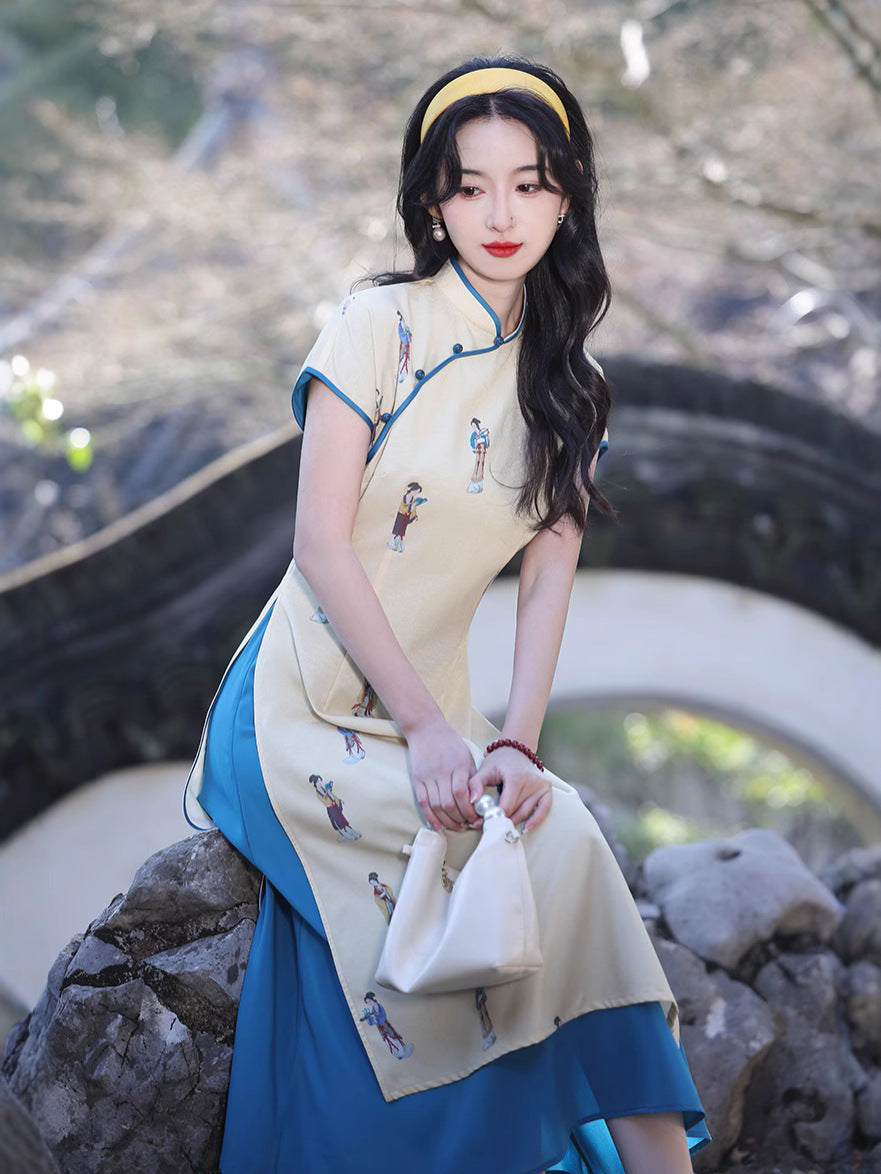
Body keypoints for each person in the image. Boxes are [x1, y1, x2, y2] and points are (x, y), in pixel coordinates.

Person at [185, 54, 709, 1174]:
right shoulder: (376, 323)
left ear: (567, 196)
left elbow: (548, 576)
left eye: (529, 182)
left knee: (547, 825)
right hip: (304, 706)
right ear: (431, 201)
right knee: (510, 859)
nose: (502, 212)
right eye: (470, 186)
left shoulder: (568, 382)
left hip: (442, 711)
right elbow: (319, 544)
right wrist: (429, 730)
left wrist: (514, 737)